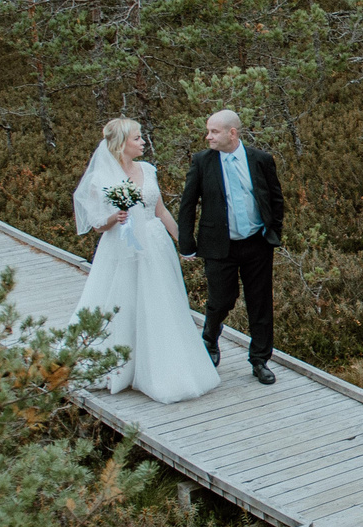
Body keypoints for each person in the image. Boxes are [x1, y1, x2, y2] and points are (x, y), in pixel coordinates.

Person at [70, 118, 220, 403]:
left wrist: (184, 243)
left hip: (154, 244)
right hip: (121, 246)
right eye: (137, 138)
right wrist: (116, 217)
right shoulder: (100, 178)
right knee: (123, 300)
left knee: (159, 301)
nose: (143, 143)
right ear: (121, 144)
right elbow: (97, 224)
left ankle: (162, 364)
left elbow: (160, 210)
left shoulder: (148, 170)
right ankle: (120, 364)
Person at [177, 108, 285, 385]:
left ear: (232, 133)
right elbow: (188, 204)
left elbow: (275, 198)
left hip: (257, 244)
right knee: (221, 300)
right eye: (208, 131)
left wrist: (274, 232)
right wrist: (186, 243)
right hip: (218, 246)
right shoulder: (202, 162)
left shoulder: (259, 160)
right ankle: (210, 338)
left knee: (260, 303)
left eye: (214, 131)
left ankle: (260, 360)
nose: (208, 137)